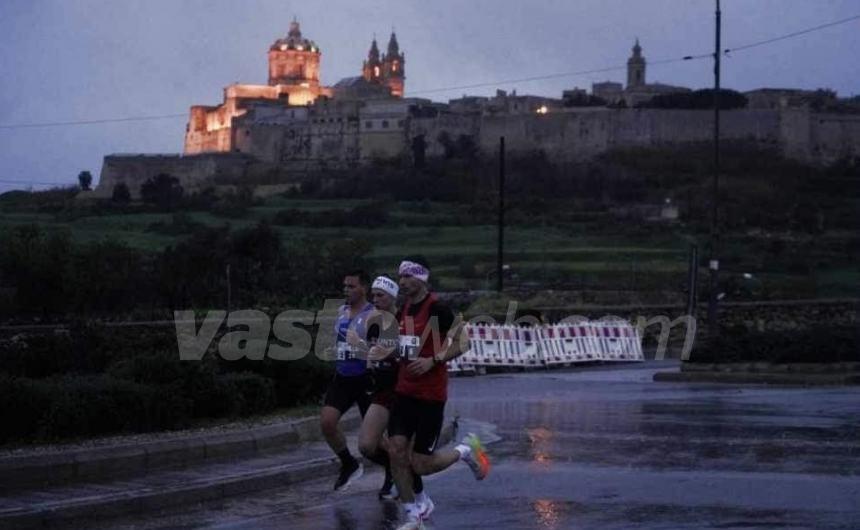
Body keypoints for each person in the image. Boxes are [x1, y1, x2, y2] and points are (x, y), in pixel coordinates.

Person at [388, 256, 490, 527]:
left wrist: (434, 359)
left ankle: (466, 450)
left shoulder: (439, 309)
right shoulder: (404, 308)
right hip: (403, 392)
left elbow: (464, 342)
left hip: (430, 396)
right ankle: (413, 514)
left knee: (421, 464)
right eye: (400, 277)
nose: (402, 282)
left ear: (421, 278)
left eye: (407, 277)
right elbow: (403, 345)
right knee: (396, 450)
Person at [349, 275, 425, 502]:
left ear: (393, 297)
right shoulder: (373, 323)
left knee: (402, 448)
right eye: (373, 295)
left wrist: (390, 353)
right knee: (366, 445)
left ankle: (415, 497)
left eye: (380, 295)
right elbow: (371, 353)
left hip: (405, 390)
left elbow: (414, 354)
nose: (375, 299)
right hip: (382, 390)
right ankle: (394, 471)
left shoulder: (406, 320)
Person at [319, 270, 375, 491]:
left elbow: (381, 349)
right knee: (327, 423)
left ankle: (392, 471)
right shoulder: (341, 311)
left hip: (366, 379)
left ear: (364, 289)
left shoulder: (374, 314)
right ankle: (349, 463)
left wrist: (359, 343)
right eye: (345, 286)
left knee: (374, 442)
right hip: (343, 376)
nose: (346, 290)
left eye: (352, 286)